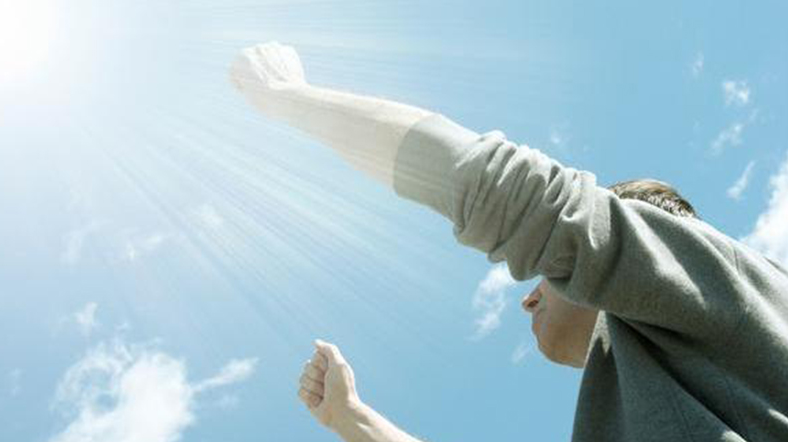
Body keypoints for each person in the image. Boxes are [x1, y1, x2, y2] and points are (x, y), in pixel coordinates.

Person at [229, 42, 788, 442]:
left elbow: (499, 189)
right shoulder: (629, 407)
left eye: (551, 272)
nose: (529, 294)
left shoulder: (723, 284)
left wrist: (287, 98)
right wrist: (350, 418)